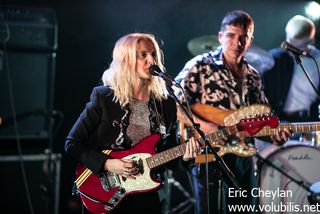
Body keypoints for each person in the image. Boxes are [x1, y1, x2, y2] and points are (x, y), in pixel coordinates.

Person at [65, 33, 199, 214]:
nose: (151, 60)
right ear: (126, 60)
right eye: (142, 55)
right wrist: (107, 164)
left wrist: (185, 156)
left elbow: (167, 151)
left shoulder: (165, 104)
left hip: (146, 196)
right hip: (106, 190)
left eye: (153, 54)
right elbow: (72, 143)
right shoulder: (104, 97)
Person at [175, 10, 290, 214]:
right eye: (231, 35)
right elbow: (171, 101)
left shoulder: (253, 76)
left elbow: (261, 123)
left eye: (243, 38)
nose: (237, 43)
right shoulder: (200, 66)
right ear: (220, 37)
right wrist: (200, 126)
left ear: (250, 40)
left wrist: (276, 137)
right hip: (209, 155)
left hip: (243, 159)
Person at [262, 15, 320, 124]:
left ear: (311, 40)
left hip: (310, 120)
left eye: (297, 47)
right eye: (289, 43)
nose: (290, 49)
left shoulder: (317, 59)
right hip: (281, 120)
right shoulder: (274, 58)